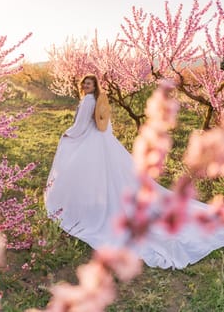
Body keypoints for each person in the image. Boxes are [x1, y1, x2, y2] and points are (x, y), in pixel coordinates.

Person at [45, 74, 224, 269]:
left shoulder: (88, 100)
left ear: (94, 86)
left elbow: (79, 126)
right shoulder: (99, 100)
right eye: (85, 83)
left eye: (89, 83)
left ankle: (85, 204)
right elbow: (105, 124)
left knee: (83, 171)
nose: (86, 86)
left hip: (88, 140)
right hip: (101, 139)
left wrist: (68, 134)